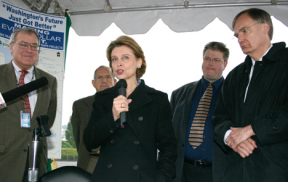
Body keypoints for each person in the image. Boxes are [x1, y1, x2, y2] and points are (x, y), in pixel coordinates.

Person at [83, 35, 177, 182]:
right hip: (108, 177)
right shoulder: (103, 98)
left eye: (125, 58)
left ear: (139, 62)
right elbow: (90, 141)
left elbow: (169, 147)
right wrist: (112, 116)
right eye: (114, 59)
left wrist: (161, 178)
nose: (119, 63)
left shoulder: (157, 99)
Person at [213, 8, 288, 181]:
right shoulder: (235, 75)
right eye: (237, 34)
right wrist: (231, 138)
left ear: (265, 27)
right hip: (237, 171)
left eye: (245, 31)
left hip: (277, 171)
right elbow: (218, 117)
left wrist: (252, 130)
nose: (240, 39)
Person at [0, 28, 57, 182]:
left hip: (35, 161)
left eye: (34, 46)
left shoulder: (49, 81)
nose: (29, 50)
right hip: (4, 161)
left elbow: (48, 119)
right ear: (11, 47)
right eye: (23, 44)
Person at [171, 42, 229, 182]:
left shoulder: (232, 95)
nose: (210, 63)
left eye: (216, 60)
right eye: (207, 58)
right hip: (182, 172)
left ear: (225, 64)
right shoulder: (179, 94)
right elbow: (167, 134)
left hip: (217, 174)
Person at [71, 65, 116, 173]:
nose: (104, 80)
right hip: (91, 161)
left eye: (108, 77)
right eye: (99, 77)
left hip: (116, 161)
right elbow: (78, 138)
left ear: (115, 82)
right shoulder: (80, 105)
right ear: (93, 82)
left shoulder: (123, 104)